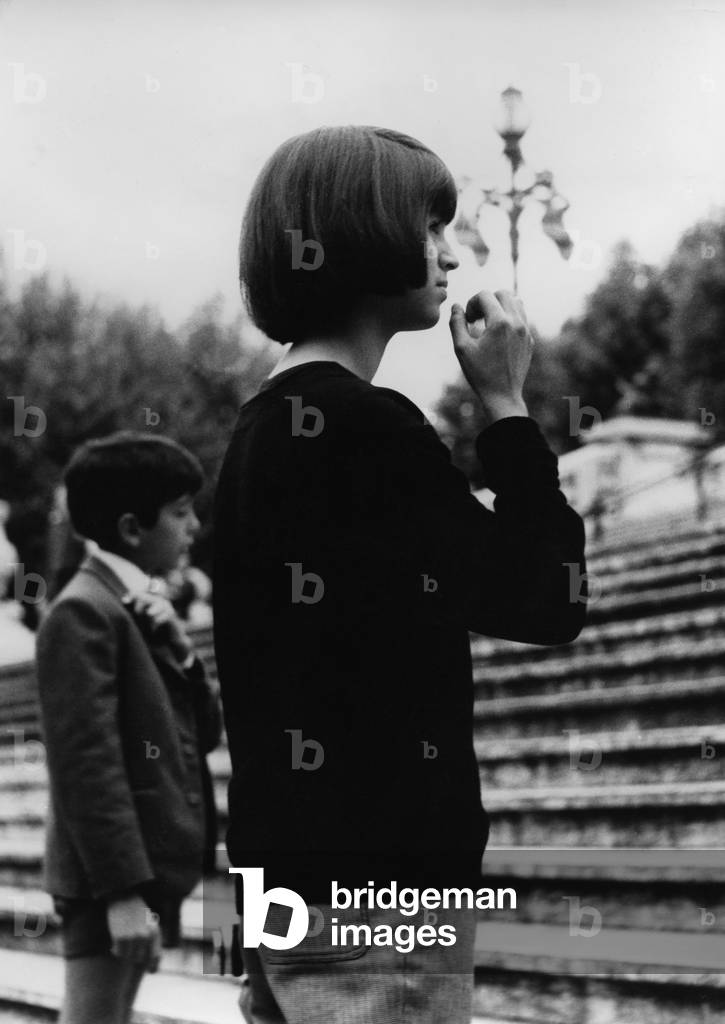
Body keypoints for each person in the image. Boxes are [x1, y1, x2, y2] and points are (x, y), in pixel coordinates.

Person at [212, 125, 588, 1024]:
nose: (450, 253)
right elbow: (548, 596)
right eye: (428, 227)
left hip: (282, 888)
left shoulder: (260, 428)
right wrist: (506, 406)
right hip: (380, 900)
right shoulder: (365, 425)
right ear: (357, 234)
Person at [35, 431, 223, 1024]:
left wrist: (182, 652)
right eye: (181, 512)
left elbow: (204, 734)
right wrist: (121, 893)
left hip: (143, 870)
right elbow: (85, 765)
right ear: (132, 528)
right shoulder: (83, 611)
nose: (194, 526)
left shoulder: (134, 607)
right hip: (112, 879)